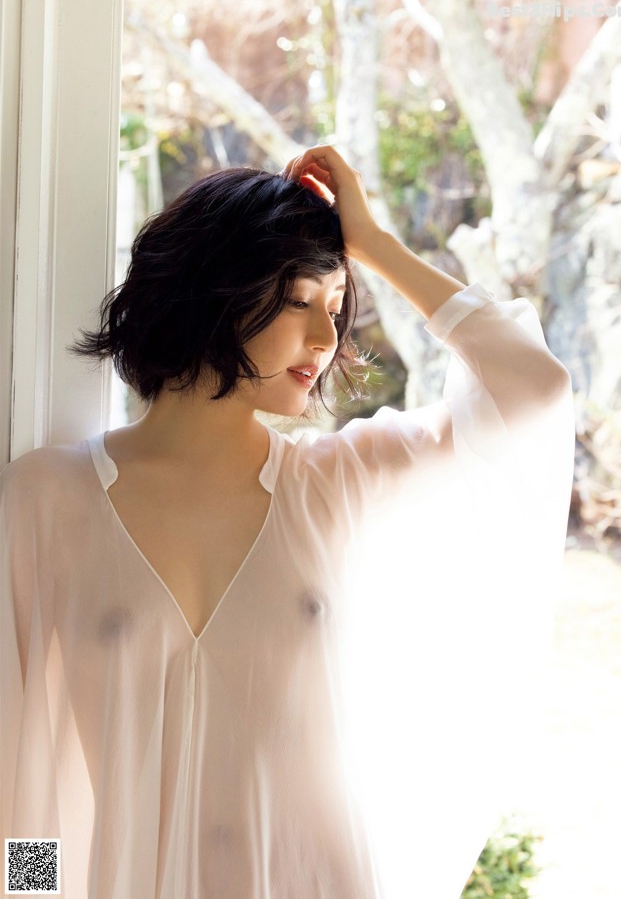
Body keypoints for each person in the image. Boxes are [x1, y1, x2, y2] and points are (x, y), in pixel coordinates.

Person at [0, 145, 575, 898]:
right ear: (216, 288)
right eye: (304, 300)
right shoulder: (47, 498)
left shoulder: (335, 485)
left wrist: (372, 244)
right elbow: (16, 768)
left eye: (337, 311)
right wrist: (29, 894)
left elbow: (531, 391)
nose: (327, 338)